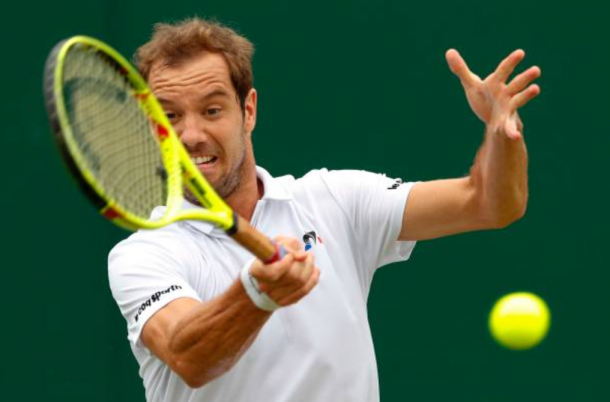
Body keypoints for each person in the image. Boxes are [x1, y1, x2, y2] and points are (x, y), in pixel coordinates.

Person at [108, 17, 540, 402]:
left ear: (249, 110)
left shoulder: (336, 200)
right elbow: (189, 357)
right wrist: (257, 294)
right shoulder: (144, 254)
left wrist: (501, 132)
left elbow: (490, 203)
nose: (191, 135)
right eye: (170, 117)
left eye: (212, 110)